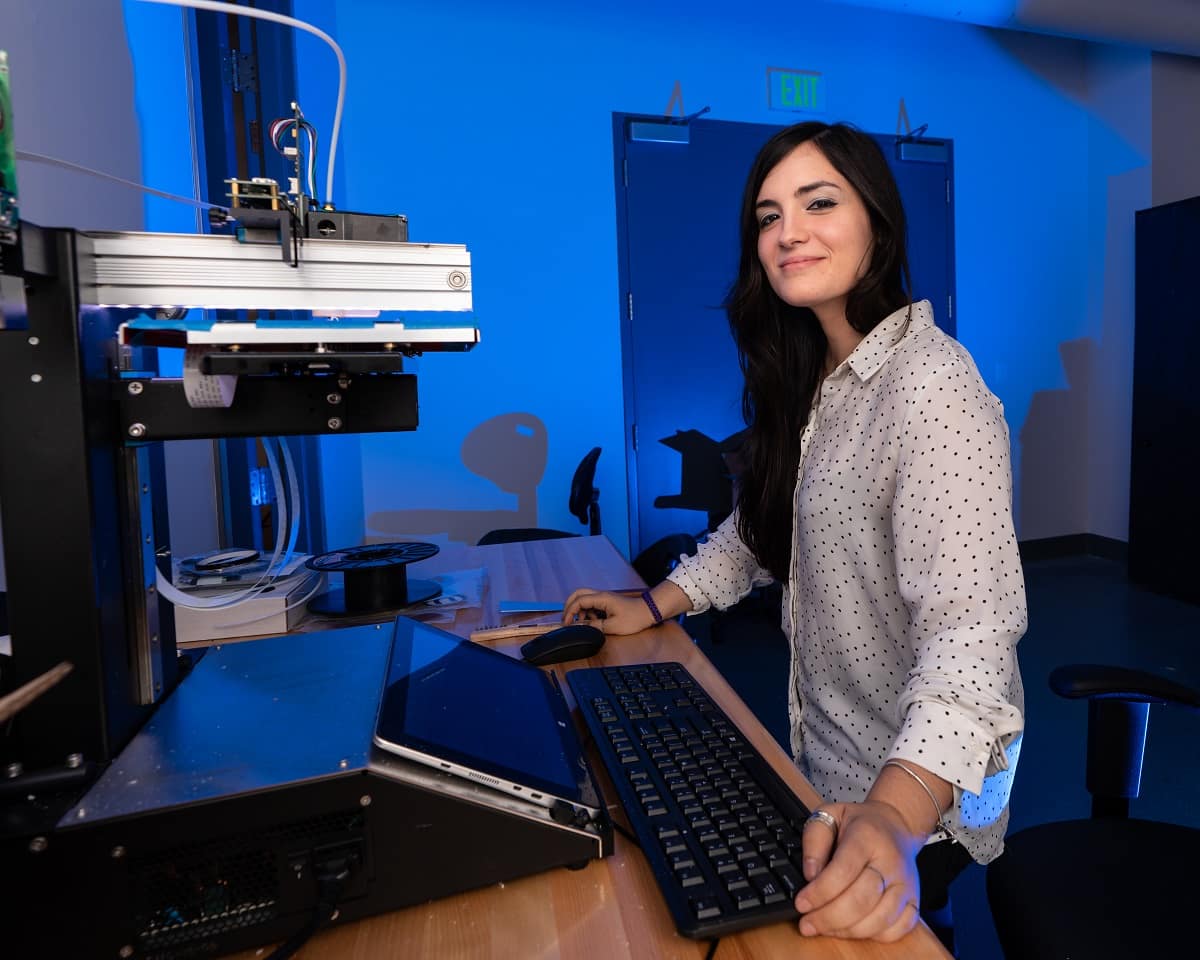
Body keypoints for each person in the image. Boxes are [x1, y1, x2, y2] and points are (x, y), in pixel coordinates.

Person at [563, 121, 1026, 950]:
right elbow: (761, 528)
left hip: (925, 782)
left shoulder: (932, 387)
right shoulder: (817, 381)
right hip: (832, 761)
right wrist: (657, 603)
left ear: (877, 222)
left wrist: (893, 814)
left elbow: (973, 640)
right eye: (768, 217)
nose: (789, 233)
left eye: (819, 203)